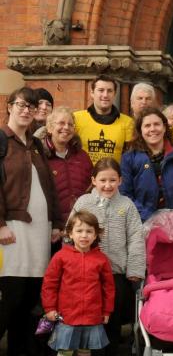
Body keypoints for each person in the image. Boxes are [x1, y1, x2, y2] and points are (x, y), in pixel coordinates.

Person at [0, 87, 62, 355]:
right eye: (21, 105)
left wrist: (56, 223)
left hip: (40, 234)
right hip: (11, 231)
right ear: (9, 107)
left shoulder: (36, 145)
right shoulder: (2, 140)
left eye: (31, 107)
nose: (27, 110)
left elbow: (49, 188)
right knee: (9, 300)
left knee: (31, 301)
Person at [70, 157, 145, 355]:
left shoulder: (126, 205)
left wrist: (135, 269)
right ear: (93, 180)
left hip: (116, 274)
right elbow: (70, 235)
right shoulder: (83, 202)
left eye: (112, 180)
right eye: (102, 180)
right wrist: (73, 265)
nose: (107, 185)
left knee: (112, 318)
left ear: (120, 180)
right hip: (87, 274)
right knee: (91, 318)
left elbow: (136, 237)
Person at [41, 210, 115, 356]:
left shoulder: (101, 259)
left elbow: (108, 287)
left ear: (95, 235)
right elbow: (49, 284)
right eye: (79, 230)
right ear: (70, 233)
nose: (84, 235)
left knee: (85, 350)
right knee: (65, 350)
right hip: (67, 316)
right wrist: (49, 308)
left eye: (89, 231)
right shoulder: (60, 257)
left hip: (92, 316)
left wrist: (106, 311)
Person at [120, 107, 173, 222]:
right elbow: (125, 194)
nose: (152, 129)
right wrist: (150, 218)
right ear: (140, 130)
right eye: (147, 126)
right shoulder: (129, 158)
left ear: (164, 127)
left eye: (157, 124)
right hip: (140, 224)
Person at [34, 106, 93, 224]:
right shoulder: (39, 157)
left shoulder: (82, 156)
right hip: (49, 225)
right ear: (50, 128)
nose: (66, 127)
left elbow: (92, 187)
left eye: (70, 124)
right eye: (61, 123)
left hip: (80, 226)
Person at [74, 74, 134, 165]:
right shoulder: (76, 119)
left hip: (113, 177)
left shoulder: (127, 122)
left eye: (109, 91)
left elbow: (130, 158)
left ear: (114, 94)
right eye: (101, 90)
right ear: (92, 93)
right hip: (83, 176)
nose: (105, 95)